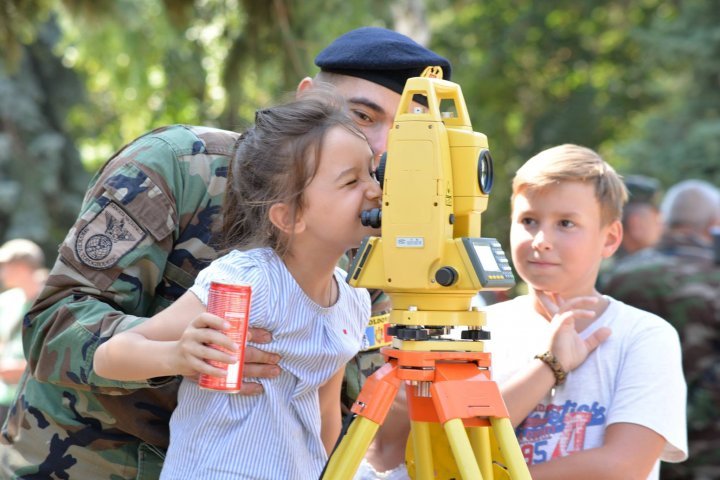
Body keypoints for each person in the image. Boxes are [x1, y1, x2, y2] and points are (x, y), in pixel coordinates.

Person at [0, 26, 452, 479]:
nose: (379, 149)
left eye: (407, 132)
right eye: (362, 117)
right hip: (84, 463)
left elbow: (339, 401)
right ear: (306, 98)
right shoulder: (178, 166)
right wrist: (186, 350)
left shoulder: (369, 228)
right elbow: (52, 326)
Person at [92, 90, 379, 479]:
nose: (375, 191)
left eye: (371, 174)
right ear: (289, 216)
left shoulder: (353, 298)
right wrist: (178, 355)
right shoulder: (249, 281)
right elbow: (111, 355)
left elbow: (325, 412)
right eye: (351, 181)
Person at [484, 144, 687, 479]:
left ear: (610, 239)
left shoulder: (645, 336)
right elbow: (460, 437)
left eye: (565, 223)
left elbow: (623, 466)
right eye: (528, 220)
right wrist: (551, 365)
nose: (541, 240)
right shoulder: (481, 328)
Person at [602, 179, 720, 480]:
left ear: (665, 222)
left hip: (633, 444)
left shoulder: (619, 276)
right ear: (714, 223)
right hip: (709, 450)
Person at [0, 240, 47, 421]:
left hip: (36, 399)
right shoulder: (6, 301)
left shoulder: (51, 302)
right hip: (5, 397)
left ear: (21, 267)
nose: (2, 271)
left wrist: (26, 369)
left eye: (5, 265)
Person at [597, 174, 663, 288]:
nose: (661, 227)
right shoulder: (652, 272)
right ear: (636, 224)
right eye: (656, 219)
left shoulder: (596, 268)